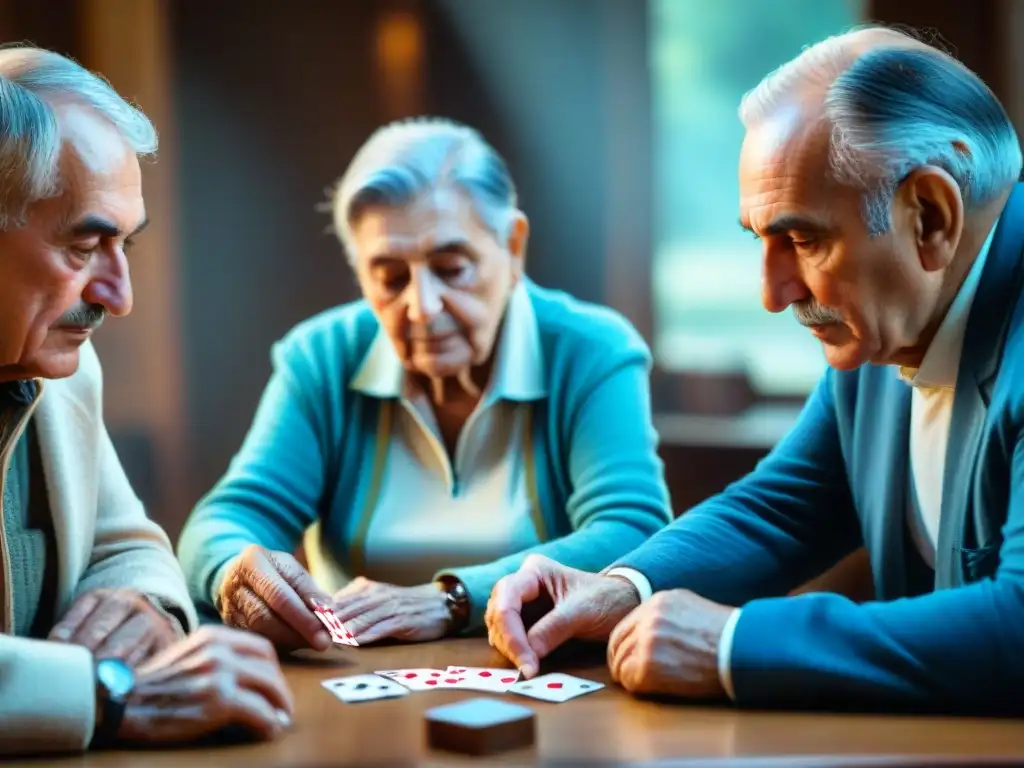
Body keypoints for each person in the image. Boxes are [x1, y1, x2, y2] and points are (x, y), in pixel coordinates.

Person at [486, 25, 1024, 713]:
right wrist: (621, 589)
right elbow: (783, 507)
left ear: (930, 215)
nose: (772, 295)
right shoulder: (891, 319)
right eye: (760, 242)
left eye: (802, 240)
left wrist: (733, 644)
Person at [177, 117, 672, 649]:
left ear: (513, 246)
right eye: (389, 277)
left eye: (452, 268)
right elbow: (228, 518)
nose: (422, 306)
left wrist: (450, 598)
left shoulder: (591, 350)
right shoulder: (320, 357)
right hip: (357, 671)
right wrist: (234, 572)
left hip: (537, 664)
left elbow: (633, 530)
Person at [0, 46, 291, 755]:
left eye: (125, 244)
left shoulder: (65, 366)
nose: (119, 297)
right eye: (84, 247)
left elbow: (128, 544)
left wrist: (142, 607)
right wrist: (106, 694)